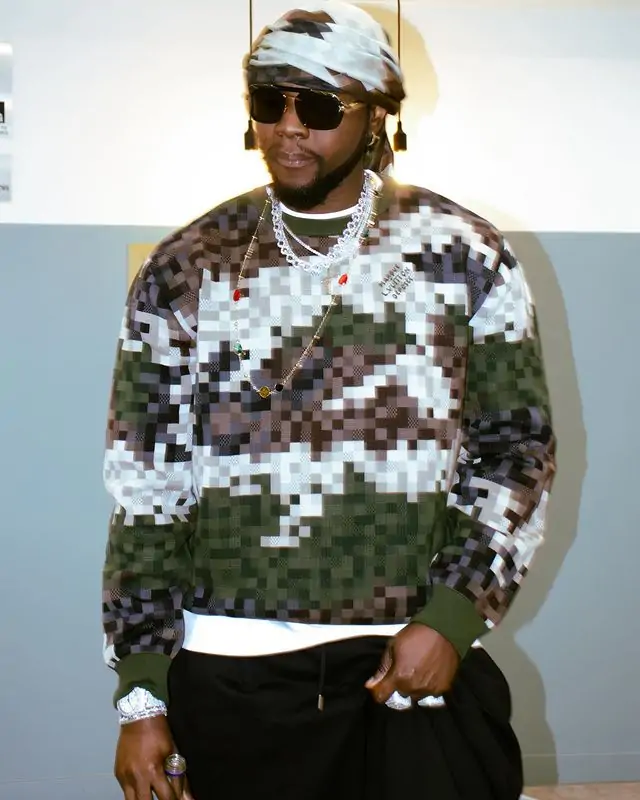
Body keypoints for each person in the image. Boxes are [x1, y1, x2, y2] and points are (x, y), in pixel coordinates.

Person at [102, 3, 556, 799]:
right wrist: (141, 692)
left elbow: (516, 452)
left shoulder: (463, 255)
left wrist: (453, 616)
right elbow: (145, 489)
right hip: (235, 662)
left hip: (409, 658)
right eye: (267, 102)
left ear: (377, 114)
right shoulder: (186, 266)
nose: (288, 127)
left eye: (317, 106)